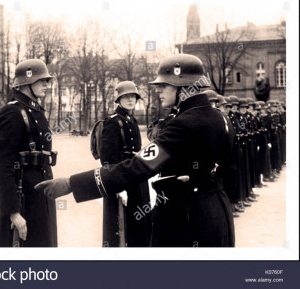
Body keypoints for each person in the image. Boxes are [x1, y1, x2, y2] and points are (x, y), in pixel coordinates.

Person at [36, 54, 236, 247]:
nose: (158, 91)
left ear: (183, 87)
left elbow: (139, 165)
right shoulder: (222, 119)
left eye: (164, 85)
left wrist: (73, 183)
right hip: (219, 216)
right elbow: (230, 170)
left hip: (186, 221)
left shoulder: (183, 124)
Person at [0, 59, 57, 247]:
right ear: (26, 82)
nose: (46, 84)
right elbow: (1, 165)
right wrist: (13, 211)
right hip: (22, 200)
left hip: (40, 196)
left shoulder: (36, 111)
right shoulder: (12, 112)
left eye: (47, 80)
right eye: (41, 80)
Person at [100, 81, 151, 247]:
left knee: (140, 226)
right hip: (122, 182)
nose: (130, 100)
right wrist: (118, 187)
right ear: (118, 99)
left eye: (133, 96)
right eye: (126, 96)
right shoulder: (113, 122)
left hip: (137, 179)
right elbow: (107, 159)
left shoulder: (131, 120)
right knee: (122, 231)